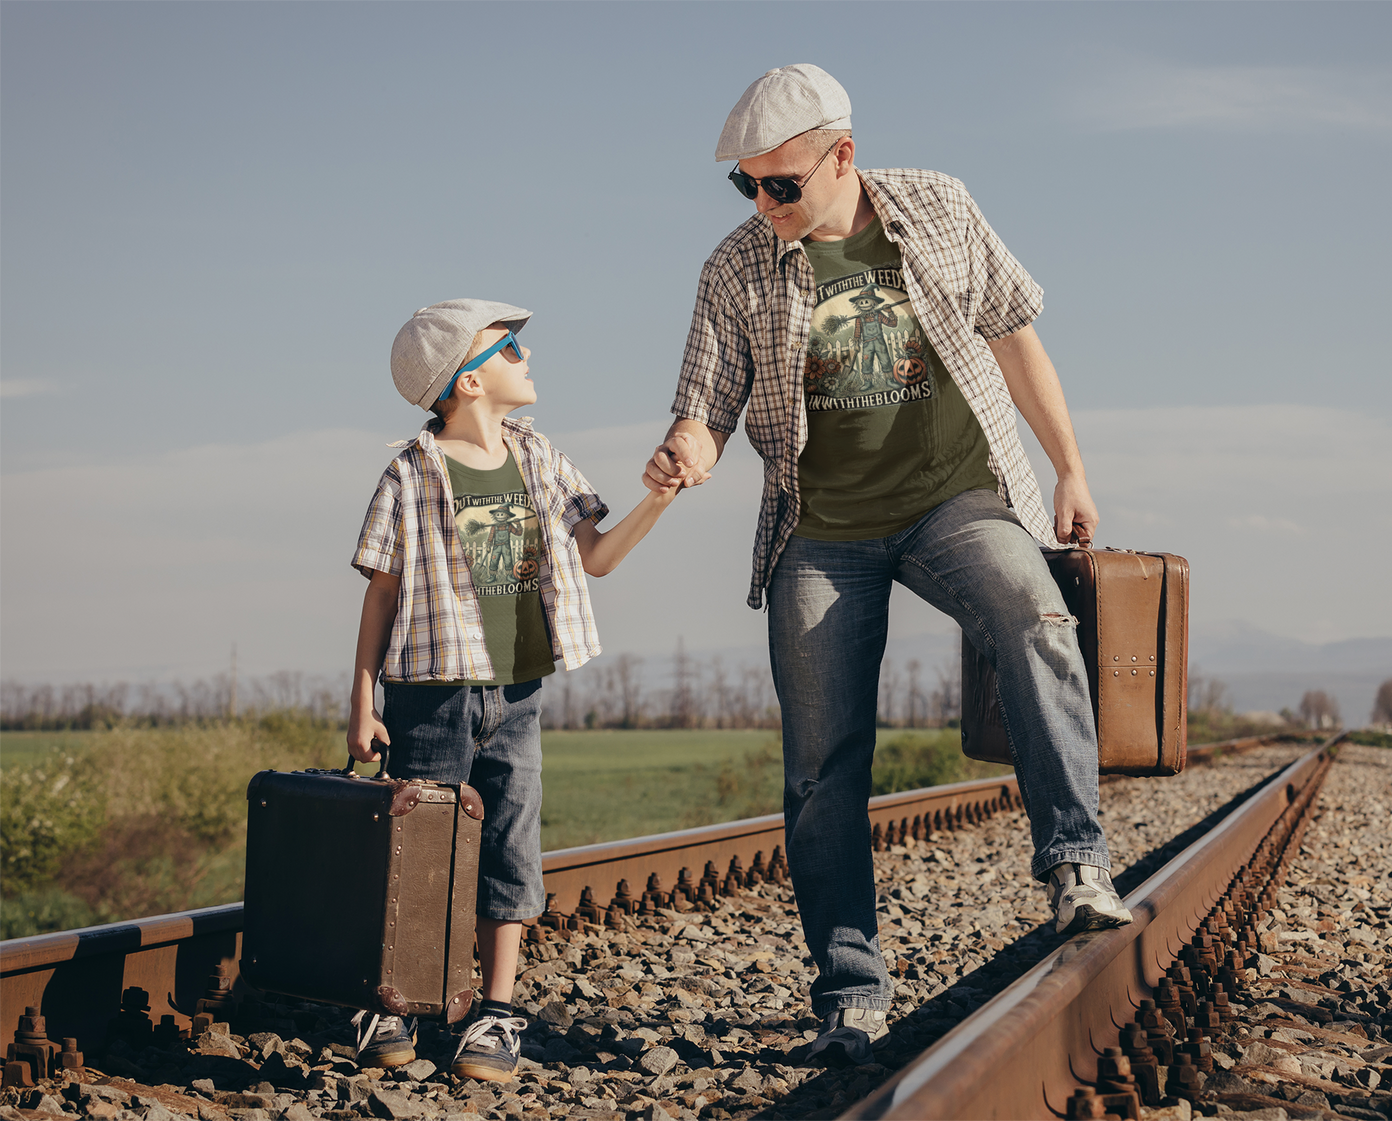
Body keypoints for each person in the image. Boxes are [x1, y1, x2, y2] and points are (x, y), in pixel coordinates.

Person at [643, 65, 1132, 1066]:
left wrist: (1070, 469)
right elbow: (703, 404)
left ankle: (1076, 866)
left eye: (781, 184)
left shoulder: (938, 207)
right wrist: (689, 443)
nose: (763, 205)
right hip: (818, 529)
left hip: (954, 496)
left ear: (841, 156)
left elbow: (1014, 338)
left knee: (1033, 614)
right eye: (746, 186)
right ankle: (851, 993)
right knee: (822, 766)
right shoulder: (733, 269)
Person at [348, 299, 687, 1081]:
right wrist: (361, 699)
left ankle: (492, 1013)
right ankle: (393, 1001)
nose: (526, 358)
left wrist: (661, 498)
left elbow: (596, 556)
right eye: (509, 349)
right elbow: (382, 593)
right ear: (467, 379)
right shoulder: (410, 470)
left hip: (518, 693)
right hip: (429, 690)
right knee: (419, 852)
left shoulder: (539, 457)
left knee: (510, 846)